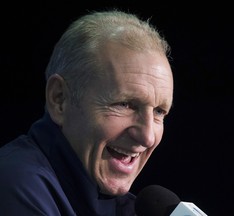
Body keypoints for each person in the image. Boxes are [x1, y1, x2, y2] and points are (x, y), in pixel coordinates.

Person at [0, 9, 174, 216]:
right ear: (59, 99)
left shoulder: (124, 207)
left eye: (159, 111)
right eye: (125, 104)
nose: (147, 136)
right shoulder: (15, 183)